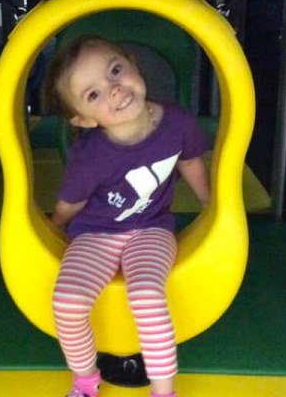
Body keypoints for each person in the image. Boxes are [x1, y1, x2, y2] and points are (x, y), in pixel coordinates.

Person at [43, 34, 211, 397]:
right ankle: (87, 381)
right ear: (84, 119)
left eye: (115, 71)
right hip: (95, 232)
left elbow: (190, 161)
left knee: (147, 293)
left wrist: (210, 203)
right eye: (94, 95)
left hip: (152, 227)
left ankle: (164, 392)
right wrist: (54, 224)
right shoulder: (90, 154)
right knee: (67, 301)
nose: (114, 90)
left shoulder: (177, 122)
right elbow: (71, 202)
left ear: (133, 64)